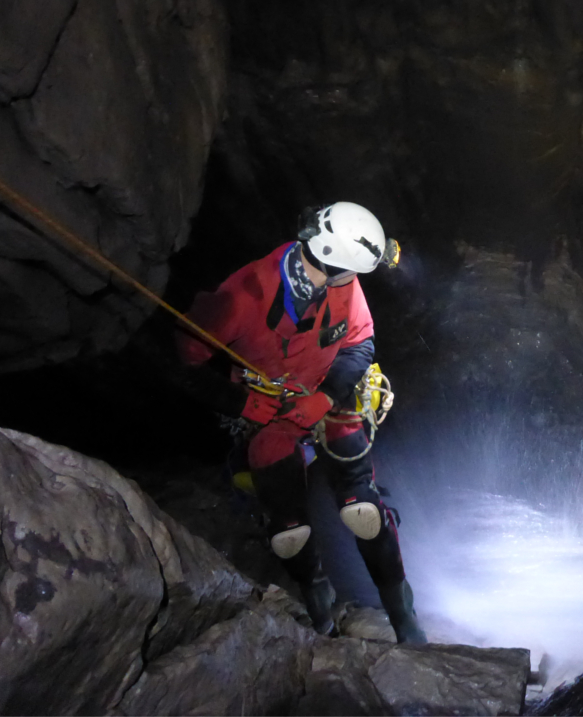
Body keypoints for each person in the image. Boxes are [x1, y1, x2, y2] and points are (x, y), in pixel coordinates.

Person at [176, 201, 425, 643]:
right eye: (350, 272)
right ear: (329, 263)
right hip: (269, 412)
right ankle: (319, 603)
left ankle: (403, 618)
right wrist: (240, 402)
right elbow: (183, 365)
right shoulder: (242, 297)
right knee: (288, 530)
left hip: (328, 400)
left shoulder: (342, 284)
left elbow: (359, 344)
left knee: (363, 511)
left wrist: (325, 397)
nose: (355, 281)